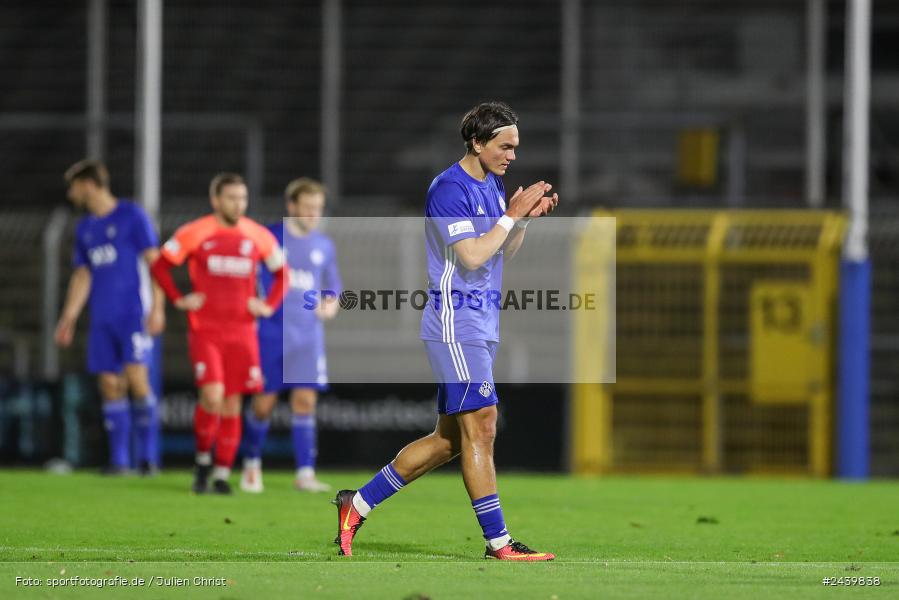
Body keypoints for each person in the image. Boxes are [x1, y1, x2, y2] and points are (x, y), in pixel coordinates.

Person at [332, 101, 559, 560]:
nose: (512, 155)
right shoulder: (448, 189)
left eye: (516, 147)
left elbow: (499, 253)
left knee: (450, 441)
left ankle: (355, 504)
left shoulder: (492, 186)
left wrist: (523, 224)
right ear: (477, 143)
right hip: (456, 323)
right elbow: (472, 256)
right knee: (484, 425)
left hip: (481, 323)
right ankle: (499, 543)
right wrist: (510, 216)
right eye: (505, 145)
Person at [150, 173, 286, 494]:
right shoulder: (195, 232)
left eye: (242, 198)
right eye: (231, 198)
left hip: (242, 332)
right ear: (216, 200)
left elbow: (283, 274)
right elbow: (160, 266)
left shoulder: (258, 235)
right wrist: (178, 298)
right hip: (206, 330)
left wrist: (267, 305)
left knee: (232, 404)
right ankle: (201, 462)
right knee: (211, 396)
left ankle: (222, 473)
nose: (238, 204)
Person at [55, 159, 165, 475]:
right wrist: (69, 317)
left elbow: (155, 264)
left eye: (73, 186)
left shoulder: (132, 215)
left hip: (134, 314)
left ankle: (147, 458)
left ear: (88, 184)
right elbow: (82, 276)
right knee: (108, 383)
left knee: (137, 379)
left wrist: (158, 307)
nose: (71, 193)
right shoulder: (86, 227)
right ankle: (119, 461)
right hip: (102, 317)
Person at [241, 178, 341, 494]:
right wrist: (252, 301)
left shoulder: (323, 245)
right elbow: (247, 273)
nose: (313, 213)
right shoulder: (269, 237)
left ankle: (305, 473)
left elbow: (333, 286)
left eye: (318, 208)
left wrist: (330, 304)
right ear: (292, 206)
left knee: (305, 401)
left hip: (308, 336)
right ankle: (251, 465)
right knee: (264, 403)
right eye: (307, 207)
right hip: (271, 333)